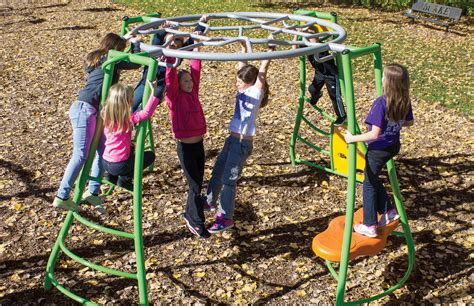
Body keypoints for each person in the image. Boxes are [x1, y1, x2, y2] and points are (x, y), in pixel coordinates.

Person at [53, 33, 141, 211]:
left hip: (92, 111)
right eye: (121, 48)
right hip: (84, 109)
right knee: (80, 155)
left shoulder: (98, 57)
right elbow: (136, 62)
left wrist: (125, 38)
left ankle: (92, 193)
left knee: (103, 150)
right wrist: (136, 44)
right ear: (116, 48)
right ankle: (61, 196)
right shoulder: (110, 58)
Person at [205, 40, 274, 234]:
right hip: (232, 139)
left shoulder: (255, 91)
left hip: (243, 142)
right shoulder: (243, 87)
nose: (237, 84)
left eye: (240, 81)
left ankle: (225, 218)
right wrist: (243, 48)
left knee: (229, 180)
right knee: (218, 170)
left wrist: (270, 52)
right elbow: (241, 65)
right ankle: (209, 202)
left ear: (250, 82)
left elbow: (262, 70)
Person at [344, 64, 414, 238]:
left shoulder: (382, 102)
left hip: (378, 150)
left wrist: (351, 138)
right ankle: (388, 211)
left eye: (383, 77)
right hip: (393, 146)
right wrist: (394, 125)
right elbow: (409, 122)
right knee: (373, 178)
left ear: (388, 83)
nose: (381, 79)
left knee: (368, 183)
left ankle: (369, 224)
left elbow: (374, 134)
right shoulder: (404, 100)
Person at [164, 32, 209, 239]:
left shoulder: (194, 92)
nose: (190, 83)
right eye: (186, 81)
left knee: (198, 183)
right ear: (178, 84)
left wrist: (196, 48)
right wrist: (170, 58)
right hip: (185, 147)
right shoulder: (174, 97)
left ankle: (190, 212)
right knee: (194, 186)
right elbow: (171, 77)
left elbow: (196, 68)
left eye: (190, 80)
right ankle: (196, 222)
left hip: (199, 144)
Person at [132, 17, 208, 112]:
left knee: (145, 108)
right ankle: (126, 121)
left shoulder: (178, 54)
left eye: (177, 42)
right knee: (130, 106)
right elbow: (158, 38)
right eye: (171, 42)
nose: (174, 44)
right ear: (164, 43)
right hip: (146, 81)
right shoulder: (158, 49)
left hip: (160, 85)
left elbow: (192, 40)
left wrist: (201, 23)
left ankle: (136, 118)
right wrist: (163, 30)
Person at [102, 80, 160, 192]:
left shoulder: (105, 115)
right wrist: (153, 93)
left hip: (106, 162)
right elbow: (146, 113)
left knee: (131, 148)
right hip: (120, 165)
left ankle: (111, 176)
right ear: (127, 102)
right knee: (149, 156)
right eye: (131, 98)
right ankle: (125, 180)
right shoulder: (128, 119)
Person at [294, 26, 346, 125]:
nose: (308, 40)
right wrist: (297, 34)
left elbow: (332, 40)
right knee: (312, 89)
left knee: (335, 96)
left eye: (310, 38)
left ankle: (342, 116)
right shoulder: (307, 47)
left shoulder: (323, 45)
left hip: (331, 74)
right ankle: (317, 95)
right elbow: (294, 49)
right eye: (306, 38)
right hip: (319, 73)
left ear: (317, 37)